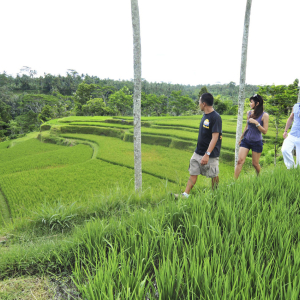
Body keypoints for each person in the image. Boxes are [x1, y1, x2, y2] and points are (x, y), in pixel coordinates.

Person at [174, 93, 222, 199]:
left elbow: (215, 138)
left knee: (213, 174)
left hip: (210, 154)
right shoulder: (205, 115)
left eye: (199, 102)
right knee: (193, 172)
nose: (198, 104)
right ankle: (185, 195)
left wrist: (207, 154)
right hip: (198, 151)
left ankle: (216, 195)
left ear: (204, 104)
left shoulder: (216, 117)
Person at [234, 94, 269, 179]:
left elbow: (265, 131)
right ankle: (234, 182)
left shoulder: (265, 115)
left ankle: (260, 178)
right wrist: (241, 137)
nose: (250, 104)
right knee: (240, 161)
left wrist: (256, 123)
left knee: (255, 164)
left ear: (257, 103)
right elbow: (247, 126)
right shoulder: (249, 113)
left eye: (251, 102)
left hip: (257, 142)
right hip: (246, 140)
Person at [281, 102, 300, 169]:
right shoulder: (296, 106)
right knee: (284, 150)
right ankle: (290, 167)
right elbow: (291, 118)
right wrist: (285, 131)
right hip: (292, 134)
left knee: (299, 162)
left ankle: (296, 171)